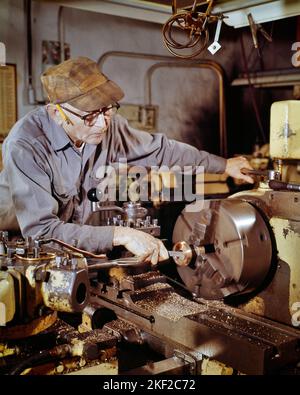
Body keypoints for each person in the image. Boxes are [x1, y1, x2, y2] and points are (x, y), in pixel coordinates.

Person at [0, 57, 253, 265]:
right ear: (57, 114)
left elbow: (162, 150)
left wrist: (224, 165)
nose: (102, 124)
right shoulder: (26, 144)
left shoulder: (109, 127)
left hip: (70, 244)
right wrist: (119, 235)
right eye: (89, 116)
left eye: (107, 110)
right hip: (20, 247)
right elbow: (42, 233)